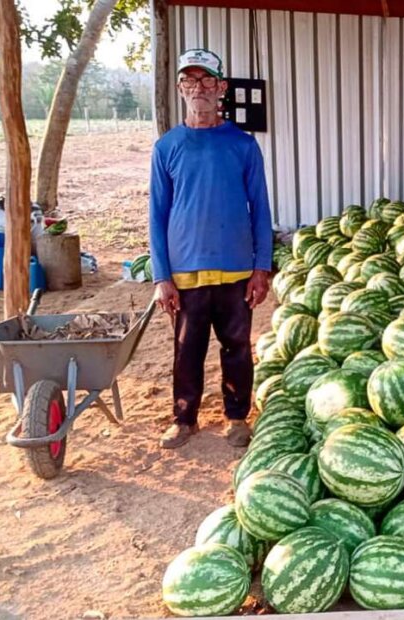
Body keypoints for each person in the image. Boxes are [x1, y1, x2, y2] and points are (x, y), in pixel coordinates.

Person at [149, 48, 272, 449]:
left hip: (236, 269)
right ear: (180, 88)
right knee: (187, 350)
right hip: (185, 270)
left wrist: (261, 267)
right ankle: (184, 419)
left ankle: (237, 417)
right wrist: (162, 276)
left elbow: (261, 210)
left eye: (206, 81)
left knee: (237, 347)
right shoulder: (167, 147)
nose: (197, 89)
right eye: (189, 81)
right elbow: (156, 214)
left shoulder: (243, 145)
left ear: (221, 88)